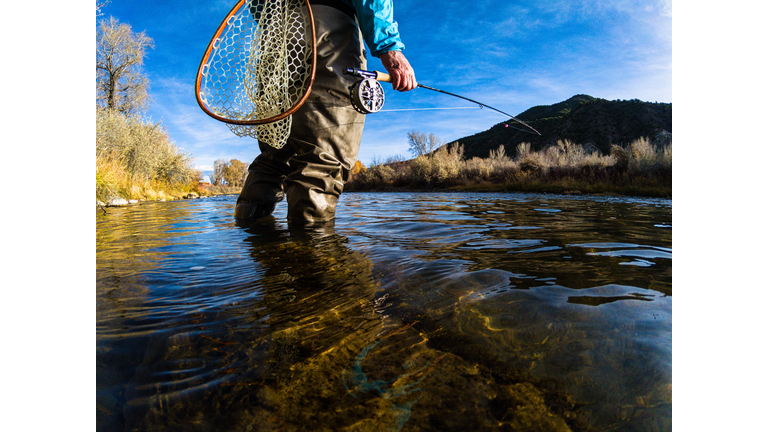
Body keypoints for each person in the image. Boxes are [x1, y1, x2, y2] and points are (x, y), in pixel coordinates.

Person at [233, 0, 417, 224]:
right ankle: (314, 255)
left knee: (273, 158)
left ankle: (253, 243)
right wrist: (390, 49)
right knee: (323, 161)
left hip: (275, 37)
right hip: (329, 32)